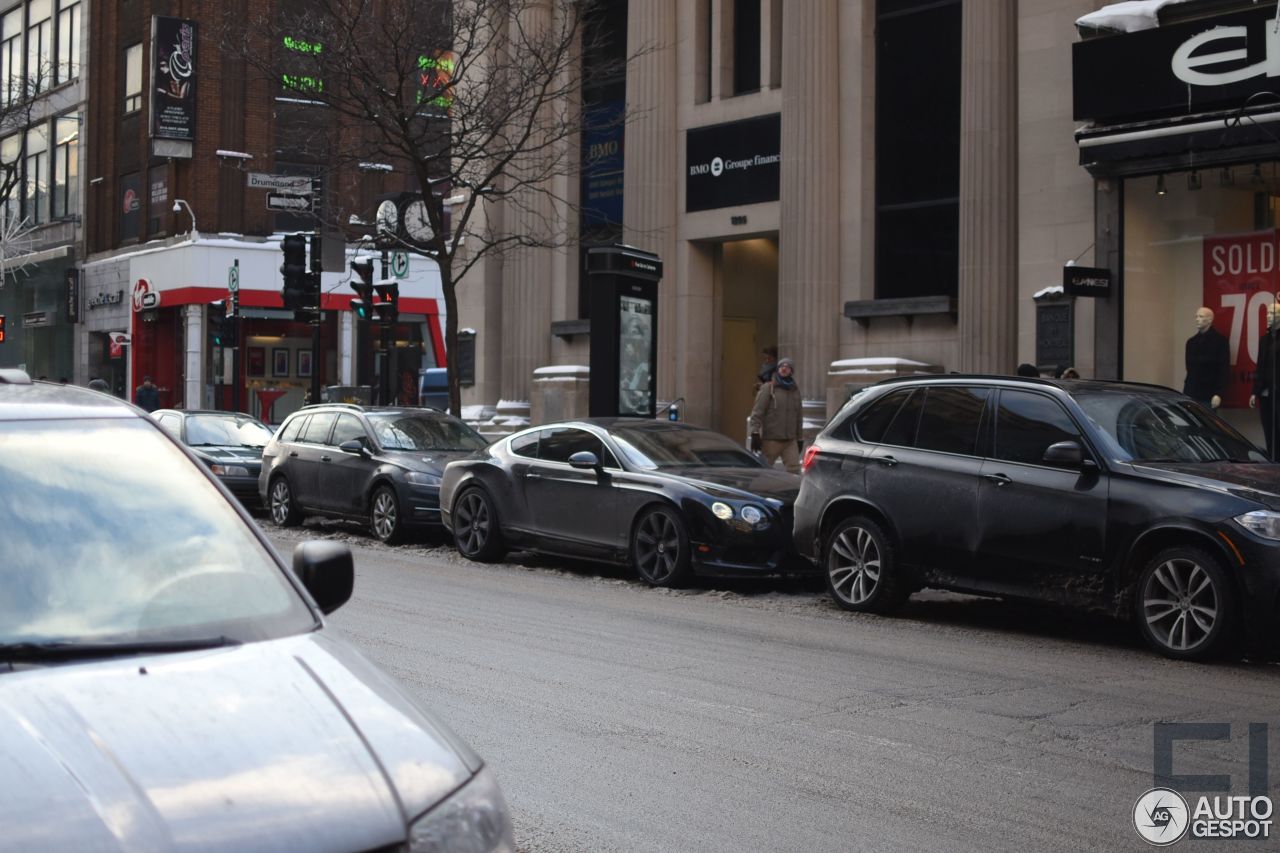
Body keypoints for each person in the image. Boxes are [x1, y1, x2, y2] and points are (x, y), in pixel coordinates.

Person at [748, 356, 803, 474]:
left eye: (788, 367)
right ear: (778, 369)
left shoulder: (795, 390)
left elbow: (799, 416)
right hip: (771, 440)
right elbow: (757, 412)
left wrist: (800, 438)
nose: (784, 368)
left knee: (794, 471)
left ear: (791, 371)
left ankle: (792, 492)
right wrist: (754, 432)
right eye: (782, 366)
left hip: (790, 440)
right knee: (764, 472)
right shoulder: (768, 388)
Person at [1184, 306, 1229, 410]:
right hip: (1191, 391)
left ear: (1209, 320)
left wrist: (1219, 393)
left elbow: (1223, 369)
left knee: (1206, 423)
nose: (1197, 319)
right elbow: (1189, 368)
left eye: (1201, 316)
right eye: (1196, 316)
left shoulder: (1220, 341)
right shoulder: (1191, 342)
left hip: (1209, 393)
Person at [1251, 303, 1280, 459]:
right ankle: (1272, 461)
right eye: (1268, 313)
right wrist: (1255, 392)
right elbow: (1260, 366)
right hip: (1266, 392)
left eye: (1272, 313)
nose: (1268, 316)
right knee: (1269, 429)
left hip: (1278, 391)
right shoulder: (1265, 339)